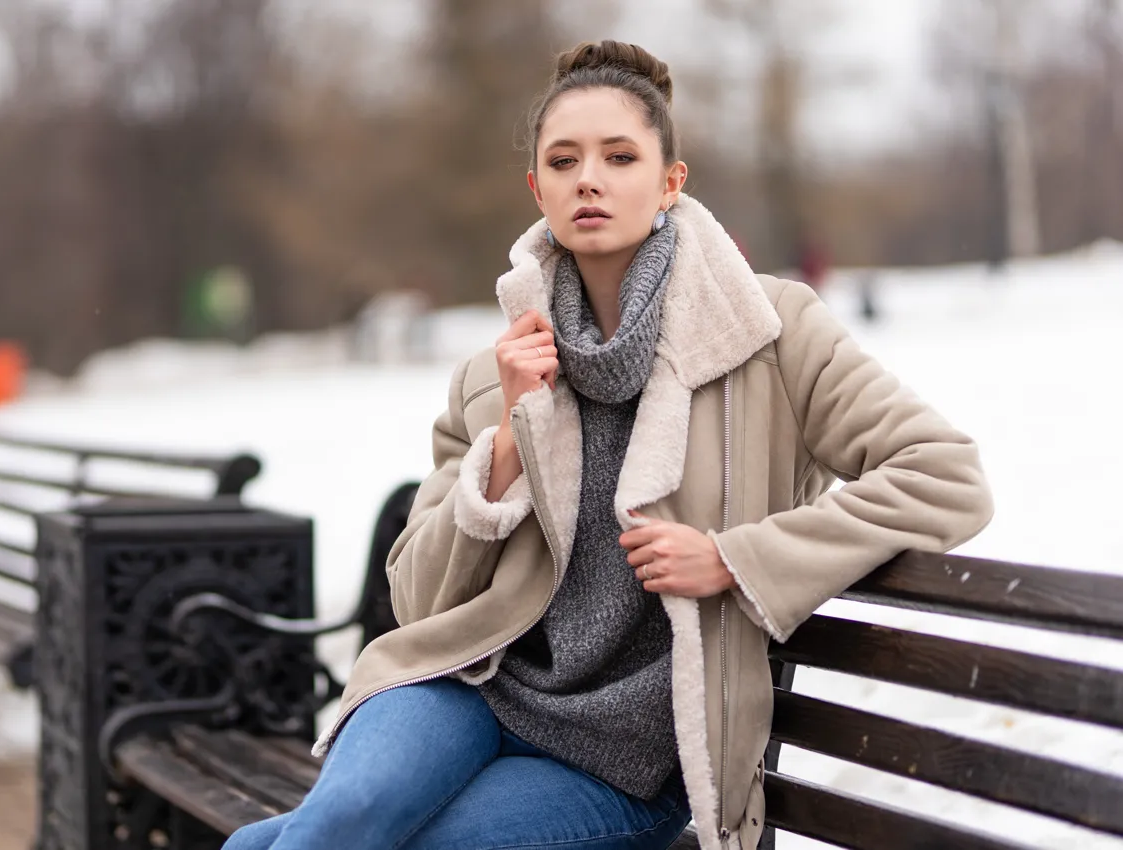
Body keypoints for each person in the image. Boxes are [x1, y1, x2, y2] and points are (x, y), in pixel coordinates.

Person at [224, 40, 993, 850]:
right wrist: (506, 450)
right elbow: (419, 603)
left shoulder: (770, 332)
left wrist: (736, 560)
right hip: (472, 690)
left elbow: (946, 478)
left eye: (620, 156)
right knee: (331, 827)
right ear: (537, 188)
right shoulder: (496, 373)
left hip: (625, 756)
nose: (589, 178)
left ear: (670, 182)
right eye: (564, 160)